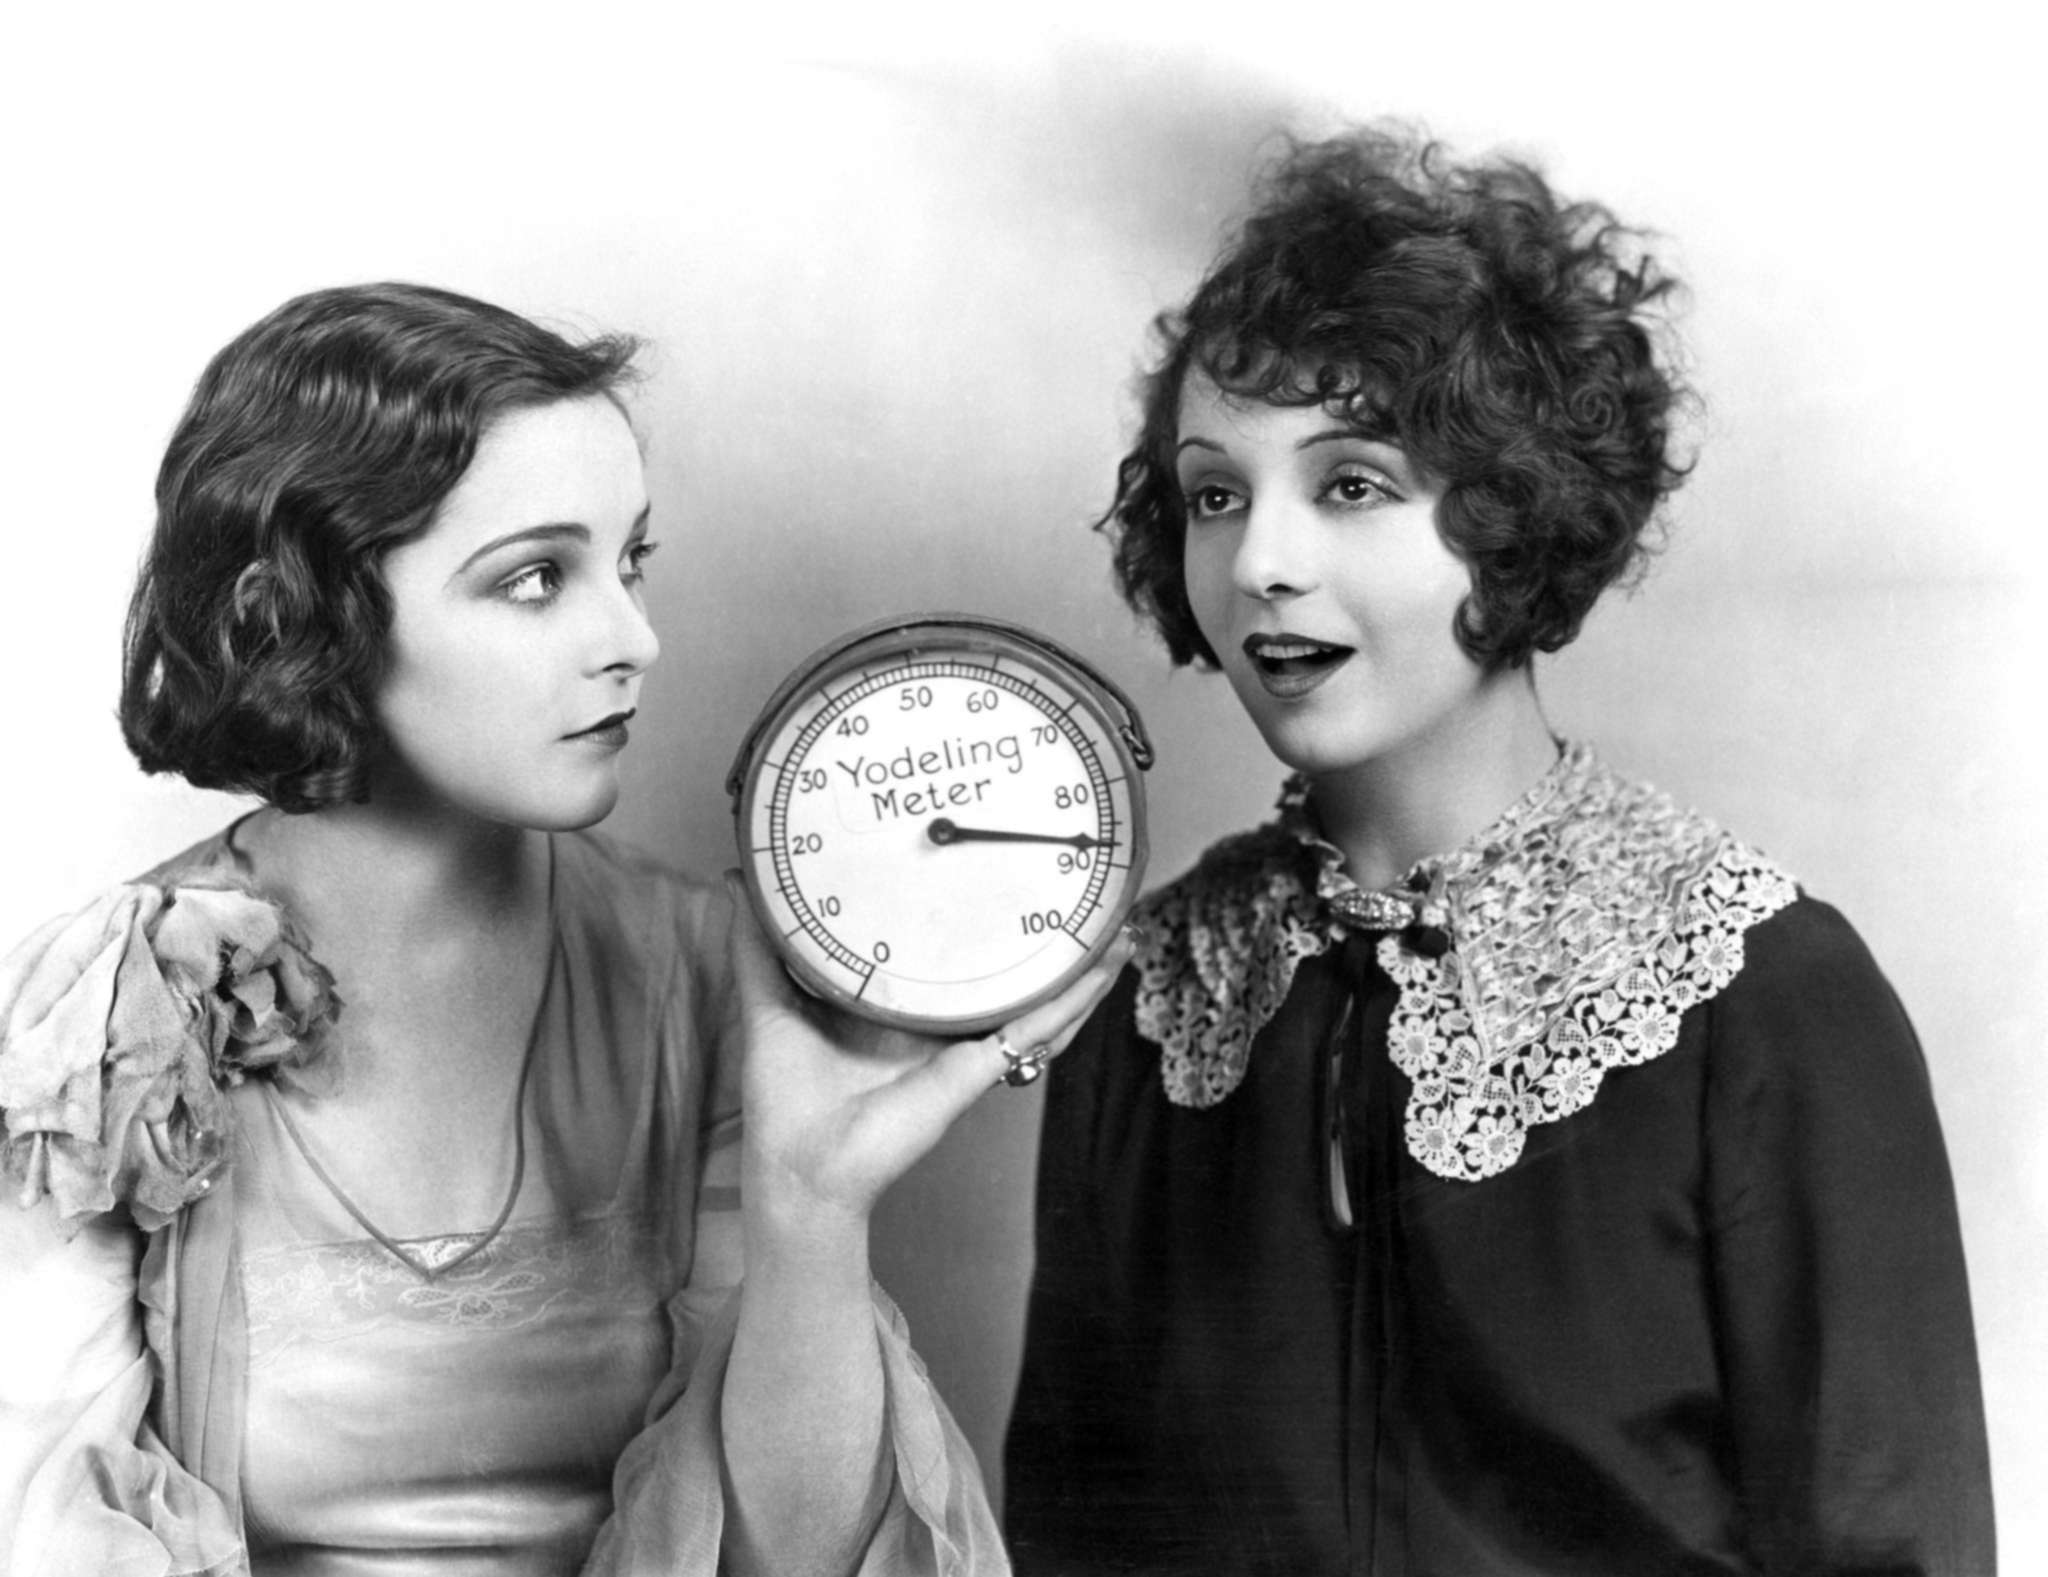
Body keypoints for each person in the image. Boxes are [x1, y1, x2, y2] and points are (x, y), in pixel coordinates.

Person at [0, 282, 1130, 1576]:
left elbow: (798, 1560)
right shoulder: (109, 1018)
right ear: (292, 614)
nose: (634, 639)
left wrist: (814, 1204)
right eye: (537, 577)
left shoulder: (709, 968)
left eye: (631, 560)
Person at [1002, 128, 1995, 1574]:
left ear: (1515, 509)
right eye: (1217, 492)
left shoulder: (1764, 1000)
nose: (1262, 559)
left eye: (1350, 485)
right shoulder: (1147, 1001)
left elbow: (1894, 1544)